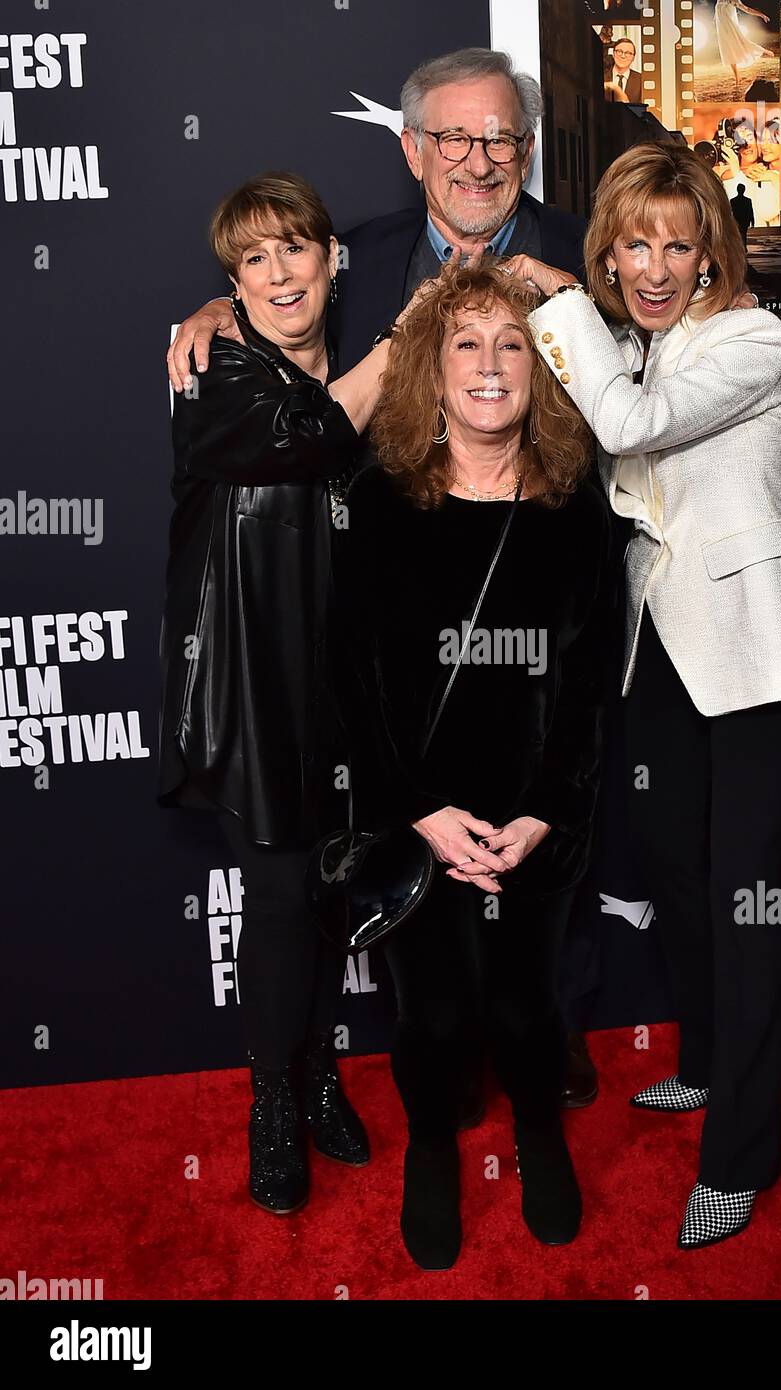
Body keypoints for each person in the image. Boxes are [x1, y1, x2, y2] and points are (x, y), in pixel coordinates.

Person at [165, 47, 601, 1111]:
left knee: (544, 823)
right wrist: (211, 315)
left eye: (498, 136)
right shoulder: (358, 262)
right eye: (451, 136)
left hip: (529, 588)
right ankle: (428, 1051)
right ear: (411, 151)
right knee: (414, 828)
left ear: (526, 150)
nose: (476, 158)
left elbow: (667, 334)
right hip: (386, 605)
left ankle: (542, 1031)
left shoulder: (578, 257)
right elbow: (282, 329)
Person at [498, 142, 781, 1250]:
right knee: (677, 877)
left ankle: (740, 1157)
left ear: (709, 255)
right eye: (629, 244)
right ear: (609, 249)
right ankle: (702, 1062)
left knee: (742, 905)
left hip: (751, 659)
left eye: (675, 245)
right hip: (660, 656)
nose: (652, 265)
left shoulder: (746, 337)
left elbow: (629, 432)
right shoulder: (640, 352)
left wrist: (560, 305)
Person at [333, 265, 612, 1270]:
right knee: (434, 1011)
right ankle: (431, 1153)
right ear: (432, 370)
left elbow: (587, 687)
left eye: (511, 346)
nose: (490, 366)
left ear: (539, 371)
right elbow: (351, 684)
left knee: (526, 1004)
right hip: (420, 818)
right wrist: (417, 813)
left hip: (531, 820)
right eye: (467, 344)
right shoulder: (378, 503)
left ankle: (540, 1137)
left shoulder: (574, 509)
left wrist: (543, 811)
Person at [159, 171, 420, 1216]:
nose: (277, 275)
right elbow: (304, 434)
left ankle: (318, 1074)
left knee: (324, 889)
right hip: (259, 689)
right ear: (231, 280)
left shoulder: (347, 364)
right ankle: (274, 1103)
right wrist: (400, 346)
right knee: (274, 901)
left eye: (293, 251)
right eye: (251, 261)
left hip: (349, 688)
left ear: (327, 259)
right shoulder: (214, 368)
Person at [714, 0, 772, 98]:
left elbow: (747, 9)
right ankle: (737, 77)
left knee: (742, 43)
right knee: (727, 50)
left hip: (732, 28)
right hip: (722, 29)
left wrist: (761, 15)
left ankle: (763, 50)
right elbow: (718, 12)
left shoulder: (733, 0)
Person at [605, 38, 643, 104]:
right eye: (619, 51)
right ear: (613, 54)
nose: (623, 56)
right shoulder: (601, 77)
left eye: (628, 53)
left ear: (633, 58)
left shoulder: (641, 80)